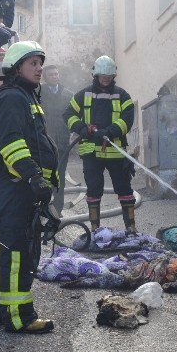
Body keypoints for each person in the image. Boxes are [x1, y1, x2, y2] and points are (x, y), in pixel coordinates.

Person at [0, 41, 59, 334]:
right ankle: (20, 317)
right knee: (19, 252)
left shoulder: (23, 97)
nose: (39, 68)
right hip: (16, 187)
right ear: (17, 68)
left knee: (16, 251)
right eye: (33, 63)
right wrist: (33, 177)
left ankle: (4, 309)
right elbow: (12, 142)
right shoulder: (13, 98)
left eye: (40, 63)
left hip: (21, 188)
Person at [64, 55, 137, 232]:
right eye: (103, 76)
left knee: (125, 189)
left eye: (109, 76)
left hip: (116, 152)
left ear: (114, 76)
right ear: (95, 75)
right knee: (93, 190)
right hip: (91, 152)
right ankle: (95, 230)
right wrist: (82, 128)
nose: (106, 79)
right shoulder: (83, 94)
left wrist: (109, 132)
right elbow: (68, 114)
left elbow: (127, 119)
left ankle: (131, 229)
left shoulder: (122, 95)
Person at [38, 64, 74, 214]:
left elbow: (74, 116)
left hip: (62, 143)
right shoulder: (38, 93)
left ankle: (58, 209)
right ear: (45, 77)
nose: (54, 76)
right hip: (44, 143)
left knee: (60, 177)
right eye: (51, 74)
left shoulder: (68, 95)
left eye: (56, 74)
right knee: (44, 177)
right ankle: (43, 207)